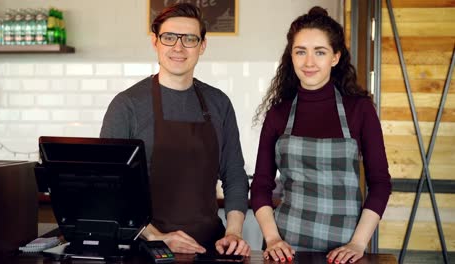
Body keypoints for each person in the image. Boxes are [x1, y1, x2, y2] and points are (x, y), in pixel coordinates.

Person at [100, 3, 250, 256]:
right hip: (146, 248)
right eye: (169, 37)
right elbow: (110, 185)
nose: (178, 47)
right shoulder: (127, 105)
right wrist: (157, 237)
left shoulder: (219, 103)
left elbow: (234, 174)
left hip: (209, 248)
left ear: (202, 45)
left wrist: (233, 232)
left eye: (189, 39)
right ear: (155, 42)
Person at [250, 6, 392, 264]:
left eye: (320, 52)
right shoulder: (278, 114)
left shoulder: (359, 109)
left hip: (345, 251)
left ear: (335, 57)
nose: (309, 62)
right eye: (300, 51)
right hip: (286, 248)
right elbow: (260, 185)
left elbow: (381, 183)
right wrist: (272, 239)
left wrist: (358, 243)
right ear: (291, 56)